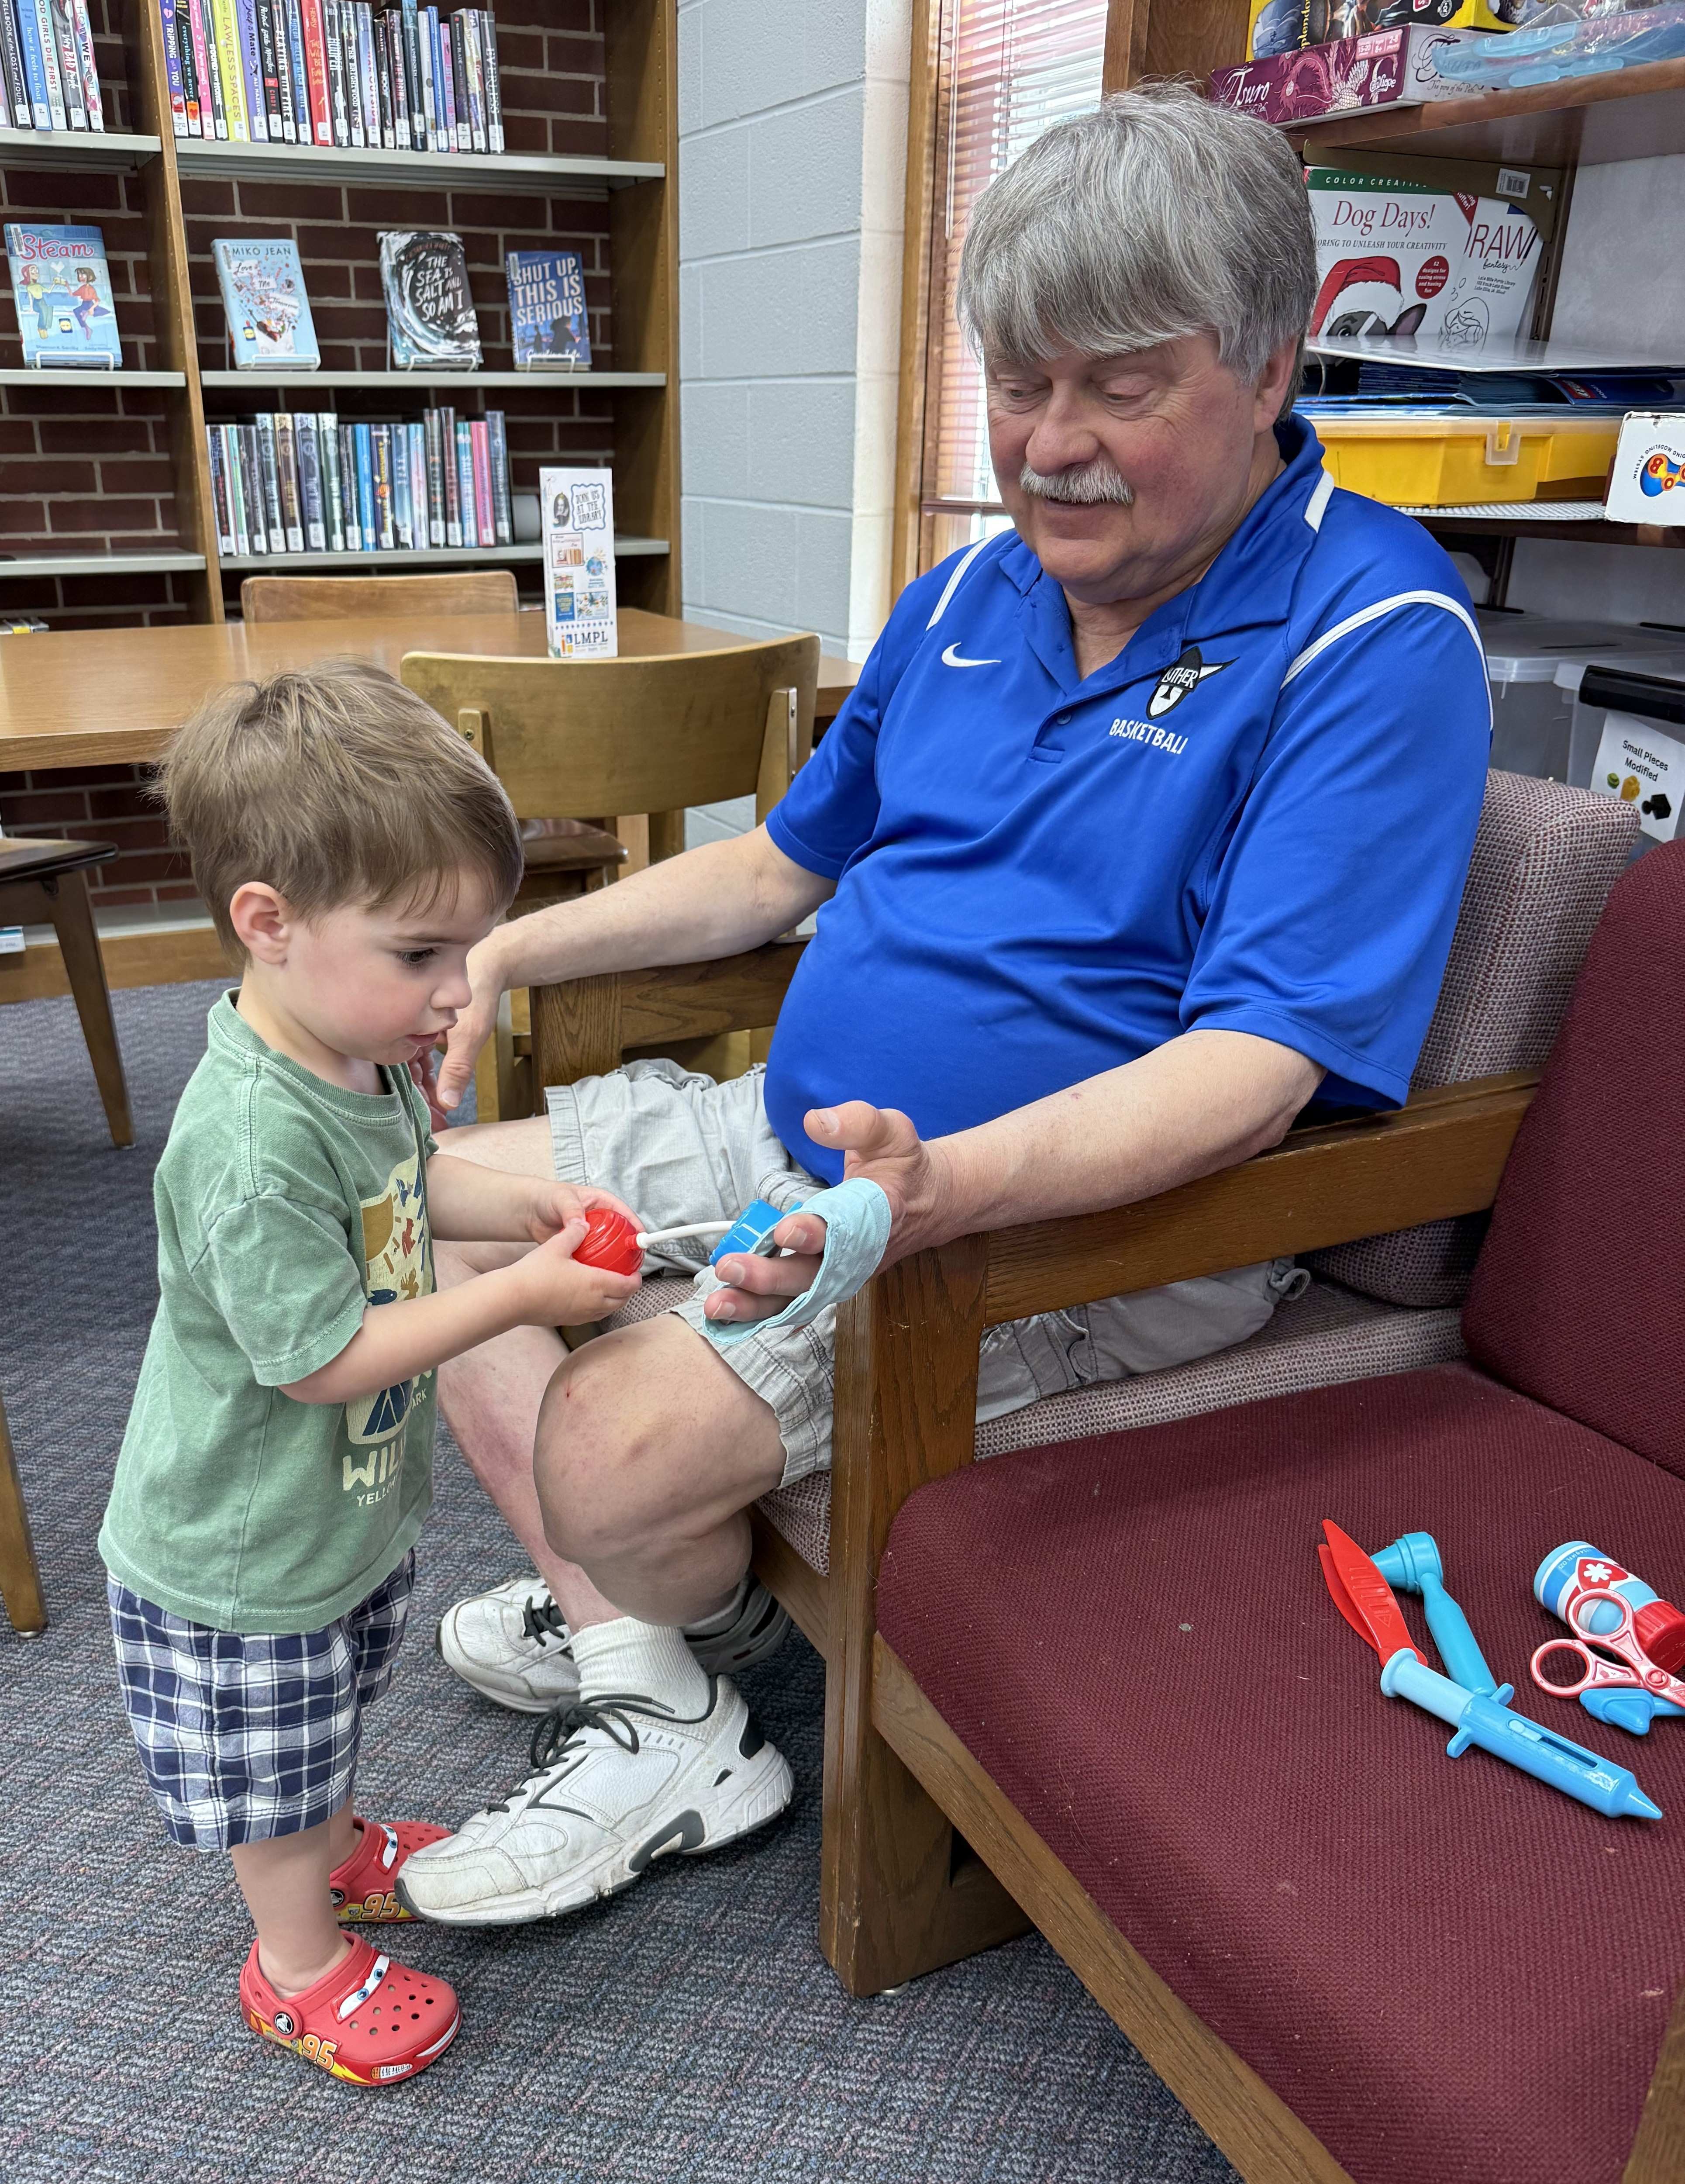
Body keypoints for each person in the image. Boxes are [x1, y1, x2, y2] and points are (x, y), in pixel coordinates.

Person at [393, 84, 1492, 1929]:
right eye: (1017, 382)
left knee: (604, 1449)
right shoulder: (969, 590)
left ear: (1267, 364)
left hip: (1082, 1232)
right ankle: (667, 1682)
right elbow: (777, 869)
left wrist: (944, 1192)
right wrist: (507, 948)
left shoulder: (1374, 639)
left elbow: (1252, 1069)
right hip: (810, 1131)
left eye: (1117, 388)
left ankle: (648, 1615)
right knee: (416, 1212)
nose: (1050, 447)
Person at [96, 663, 685, 2086]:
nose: (453, 991)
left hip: (333, 1512)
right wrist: (521, 1298)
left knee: (329, 1715)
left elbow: (407, 1188)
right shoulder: (250, 1147)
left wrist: (514, 1207)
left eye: (469, 949)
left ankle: (331, 1843)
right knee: (273, 1766)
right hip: (241, 1545)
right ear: (269, 923)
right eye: (421, 952)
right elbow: (320, 1361)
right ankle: (296, 1963)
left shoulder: (351, 1058)